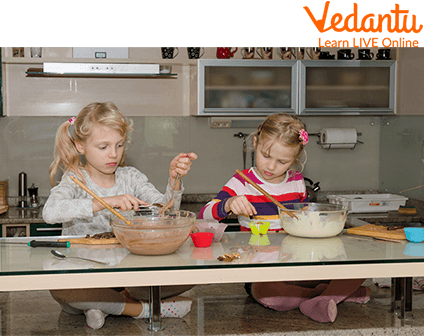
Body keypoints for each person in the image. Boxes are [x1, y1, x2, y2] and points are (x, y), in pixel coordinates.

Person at [199, 113, 370, 323]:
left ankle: (319, 298)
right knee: (267, 293)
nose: (270, 166)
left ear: (295, 158)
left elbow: (305, 222)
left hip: (298, 265)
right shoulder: (241, 182)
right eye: (265, 156)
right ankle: (328, 297)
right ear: (255, 143)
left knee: (361, 268)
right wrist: (228, 204)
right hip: (262, 273)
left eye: (282, 161)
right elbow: (204, 214)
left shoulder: (297, 182)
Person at [43, 102, 197, 329]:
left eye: (119, 145)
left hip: (125, 277)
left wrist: (174, 180)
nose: (113, 154)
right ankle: (140, 309)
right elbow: (50, 212)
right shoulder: (75, 178)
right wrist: (101, 203)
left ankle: (104, 306)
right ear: (80, 146)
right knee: (61, 287)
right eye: (103, 147)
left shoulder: (131, 177)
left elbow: (166, 211)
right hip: (85, 278)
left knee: (191, 275)